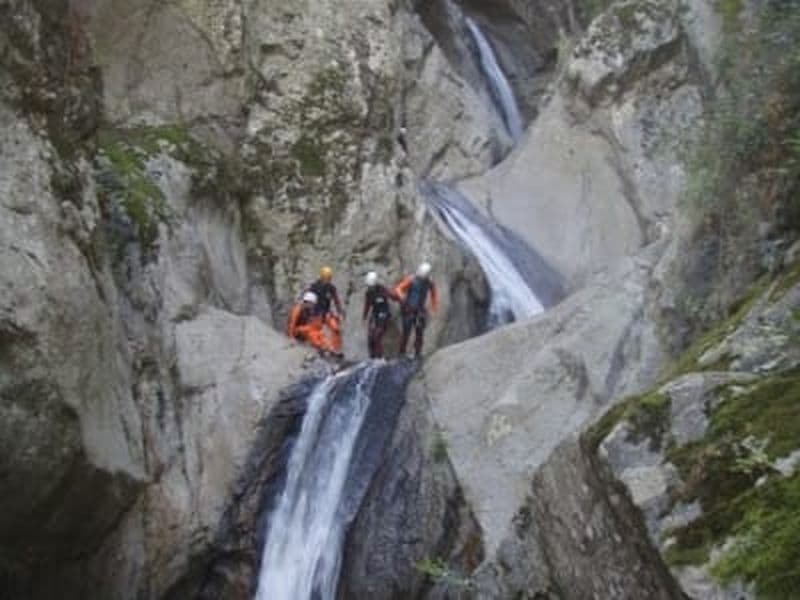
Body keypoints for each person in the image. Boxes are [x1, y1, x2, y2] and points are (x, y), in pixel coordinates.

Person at [394, 262, 438, 358]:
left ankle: (417, 353)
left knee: (419, 333)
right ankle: (401, 353)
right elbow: (398, 288)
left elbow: (434, 294)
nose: (421, 276)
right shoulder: (412, 279)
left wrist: (433, 307)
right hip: (409, 309)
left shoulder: (429, 282)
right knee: (406, 332)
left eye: (423, 275)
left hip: (419, 310)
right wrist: (402, 297)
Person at [362, 271, 401, 359]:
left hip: (384, 314)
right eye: (368, 286)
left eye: (371, 286)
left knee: (377, 336)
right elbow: (367, 305)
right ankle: (372, 357)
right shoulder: (368, 293)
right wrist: (364, 317)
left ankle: (379, 357)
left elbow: (393, 296)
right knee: (370, 337)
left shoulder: (382, 289)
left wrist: (400, 300)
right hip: (375, 314)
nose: (369, 288)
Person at [309, 266, 344, 353]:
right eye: (326, 278)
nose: (327, 281)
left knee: (336, 329)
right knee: (316, 331)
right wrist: (310, 313)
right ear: (322, 277)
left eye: (329, 278)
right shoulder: (314, 286)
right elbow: (309, 299)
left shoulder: (331, 288)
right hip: (316, 312)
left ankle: (336, 349)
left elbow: (336, 300)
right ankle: (319, 348)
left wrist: (339, 311)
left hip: (326, 312)